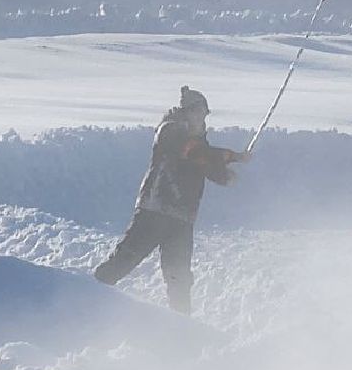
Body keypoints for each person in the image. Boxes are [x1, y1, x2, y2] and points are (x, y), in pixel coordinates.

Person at [94, 86, 251, 314]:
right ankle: (88, 296)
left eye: (205, 114)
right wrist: (232, 157)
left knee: (179, 278)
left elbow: (208, 166)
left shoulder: (200, 143)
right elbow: (195, 153)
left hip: (181, 220)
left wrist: (227, 175)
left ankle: (181, 323)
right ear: (187, 111)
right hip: (154, 211)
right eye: (200, 112)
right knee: (124, 261)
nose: (203, 119)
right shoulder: (170, 131)